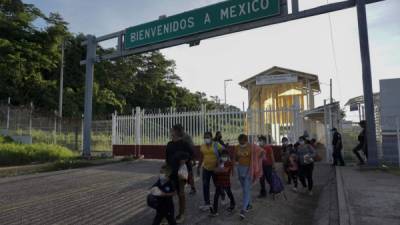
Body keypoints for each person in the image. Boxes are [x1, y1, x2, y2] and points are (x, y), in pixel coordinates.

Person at [165, 125, 193, 224]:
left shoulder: (184, 144)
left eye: (172, 130)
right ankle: (167, 215)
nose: (170, 132)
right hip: (171, 172)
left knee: (181, 194)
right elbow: (167, 160)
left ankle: (182, 214)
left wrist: (185, 160)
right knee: (168, 194)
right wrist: (166, 173)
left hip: (181, 173)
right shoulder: (169, 144)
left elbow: (192, 155)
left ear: (176, 132)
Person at [234, 134, 264, 219]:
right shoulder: (237, 147)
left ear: (246, 140)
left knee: (246, 190)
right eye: (239, 141)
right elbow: (234, 157)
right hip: (240, 170)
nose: (241, 142)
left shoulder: (252, 147)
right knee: (245, 189)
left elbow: (261, 151)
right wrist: (233, 168)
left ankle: (243, 210)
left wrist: (258, 159)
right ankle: (249, 204)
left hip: (249, 170)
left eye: (242, 141)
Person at [197, 131, 224, 211]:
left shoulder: (216, 145)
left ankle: (223, 195)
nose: (206, 139)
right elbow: (201, 157)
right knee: (205, 186)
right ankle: (207, 203)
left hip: (215, 169)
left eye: (208, 137)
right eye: (205, 137)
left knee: (217, 185)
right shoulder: (202, 146)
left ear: (212, 137)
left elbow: (224, 153)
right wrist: (198, 167)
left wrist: (220, 165)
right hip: (206, 168)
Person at [210, 150, 236, 217]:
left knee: (229, 193)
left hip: (226, 181)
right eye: (222, 156)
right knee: (216, 196)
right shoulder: (218, 162)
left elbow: (226, 171)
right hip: (219, 182)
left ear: (228, 156)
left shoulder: (229, 163)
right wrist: (219, 169)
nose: (224, 157)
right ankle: (215, 211)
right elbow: (214, 171)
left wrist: (219, 170)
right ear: (220, 156)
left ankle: (233, 204)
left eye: (225, 156)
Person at [177, 124, 197, 195]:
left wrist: (193, 160)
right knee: (180, 173)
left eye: (179, 130)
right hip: (179, 159)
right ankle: (180, 188)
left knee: (190, 174)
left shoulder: (187, 137)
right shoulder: (176, 137)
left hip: (187, 158)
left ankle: (193, 188)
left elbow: (192, 148)